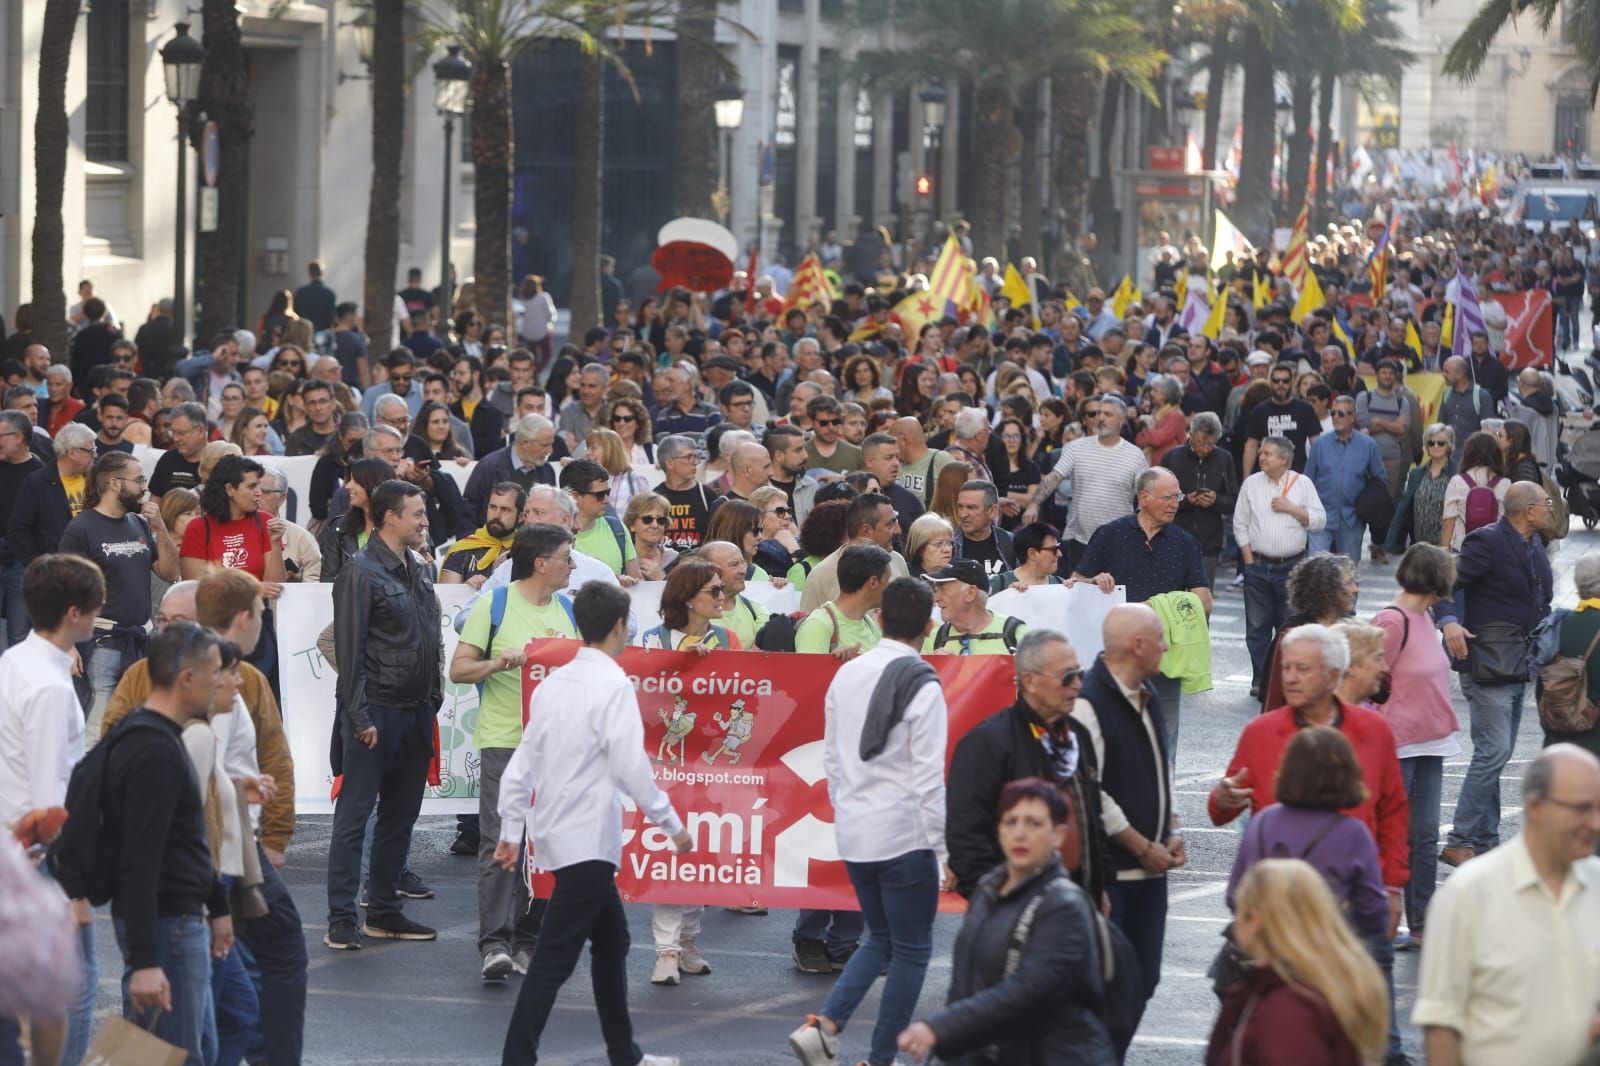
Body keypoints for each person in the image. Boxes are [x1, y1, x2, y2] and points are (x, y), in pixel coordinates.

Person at [494, 582, 687, 1066]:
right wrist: (671, 824)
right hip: (588, 841)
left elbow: (524, 762)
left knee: (612, 941)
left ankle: (626, 1054)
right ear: (620, 626)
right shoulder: (612, 684)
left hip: (560, 833)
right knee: (553, 960)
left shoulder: (555, 682)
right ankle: (518, 1058)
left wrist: (510, 830)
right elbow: (630, 767)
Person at [788, 577, 948, 1066]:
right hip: (905, 835)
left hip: (856, 832)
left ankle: (828, 1025)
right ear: (928, 625)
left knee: (880, 940)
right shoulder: (922, 682)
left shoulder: (848, 674)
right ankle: (881, 1058)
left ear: (878, 618)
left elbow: (832, 757)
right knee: (912, 951)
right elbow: (928, 778)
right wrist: (944, 853)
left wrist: (848, 809)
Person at [897, 779, 1116, 1066]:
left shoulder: (1065, 905)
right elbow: (964, 984)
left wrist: (940, 1028)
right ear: (998, 829)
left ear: (1058, 835)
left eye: (1035, 824)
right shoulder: (989, 887)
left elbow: (1030, 991)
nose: (1020, 833)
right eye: (1010, 821)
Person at [451, 524, 579, 982]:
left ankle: (527, 939)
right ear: (541, 562)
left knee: (547, 846)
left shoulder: (568, 610)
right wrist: (498, 663)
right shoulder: (496, 603)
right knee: (502, 841)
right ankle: (495, 944)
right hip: (506, 740)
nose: (574, 564)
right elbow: (459, 669)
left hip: (558, 746)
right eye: (568, 556)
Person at [1420, 746, 1600, 1066]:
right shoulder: (1469, 895)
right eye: (1582, 809)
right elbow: (1442, 1025)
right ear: (1535, 807)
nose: (1595, 824)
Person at [103, 621, 232, 1066]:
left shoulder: (166, 737)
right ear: (186, 678)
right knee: (171, 1056)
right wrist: (145, 961)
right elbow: (139, 860)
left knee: (197, 1051)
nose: (223, 679)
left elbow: (189, 834)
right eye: (216, 670)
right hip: (168, 927)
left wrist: (217, 906)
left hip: (181, 919)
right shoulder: (154, 749)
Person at [325, 480, 444, 949]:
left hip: (415, 712)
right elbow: (349, 652)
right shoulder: (359, 572)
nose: (424, 521)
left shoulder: (419, 568)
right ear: (390, 517)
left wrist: (432, 700)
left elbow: (431, 643)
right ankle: (340, 918)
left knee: (400, 817)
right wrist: (359, 717)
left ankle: (385, 912)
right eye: (417, 514)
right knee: (354, 817)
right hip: (375, 713)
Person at [0, 554, 104, 1066]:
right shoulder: (48, 686)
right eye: (94, 609)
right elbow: (50, 795)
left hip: (16, 853)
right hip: (40, 861)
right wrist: (70, 886)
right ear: (73, 613)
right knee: (72, 989)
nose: (98, 617)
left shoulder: (15, 662)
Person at [1070, 603, 1182, 1018]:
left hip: (1151, 872)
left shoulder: (1147, 695)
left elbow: (1159, 769)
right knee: (1106, 989)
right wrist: (1140, 846)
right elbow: (1089, 791)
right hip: (1112, 876)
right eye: (1160, 640)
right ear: (1138, 646)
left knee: (1142, 981)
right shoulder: (1088, 703)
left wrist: (1171, 829)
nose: (1166, 647)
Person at [1437, 481, 1554, 866]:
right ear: (1528, 511)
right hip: (1487, 662)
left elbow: (1541, 598)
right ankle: (1461, 838)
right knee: (1495, 750)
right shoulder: (1485, 542)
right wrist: (1449, 621)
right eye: (1546, 503)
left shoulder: (1533, 543)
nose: (1552, 507)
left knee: (1495, 752)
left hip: (1517, 662)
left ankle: (1484, 838)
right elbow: (1443, 583)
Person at [946, 629, 1109, 903]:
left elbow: (1092, 817)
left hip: (1077, 902)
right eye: (1067, 677)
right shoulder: (987, 743)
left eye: (1080, 674)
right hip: (1016, 909)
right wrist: (1002, 902)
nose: (1077, 685)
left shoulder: (1076, 735)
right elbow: (966, 841)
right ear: (1030, 681)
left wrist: (1100, 887)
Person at [1206, 859, 1389, 1066]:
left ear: (1255, 920)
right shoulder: (1319, 984)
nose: (1235, 919)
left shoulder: (1286, 1007)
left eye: (1238, 909)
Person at [1224, 728, 1390, 949]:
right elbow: (1373, 912)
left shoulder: (1263, 822)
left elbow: (1235, 895)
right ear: (1346, 774)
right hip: (1326, 953)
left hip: (1267, 952)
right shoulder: (1352, 834)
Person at [59, 451, 179, 741]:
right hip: (101, 642)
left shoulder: (138, 523)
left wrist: (161, 527)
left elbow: (169, 571)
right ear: (114, 483)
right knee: (98, 729)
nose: (144, 487)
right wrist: (67, 645)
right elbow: (62, 589)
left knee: (139, 727)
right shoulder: (81, 528)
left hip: (140, 640)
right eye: (139, 480)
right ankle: (87, 785)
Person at [1023, 394, 1147, 573]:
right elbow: (1054, 477)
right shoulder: (1076, 447)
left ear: (1122, 419)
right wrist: (1034, 504)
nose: (1101, 418)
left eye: (1108, 414)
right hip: (1080, 540)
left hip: (1121, 541)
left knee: (1115, 596)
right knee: (1080, 594)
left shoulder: (1135, 456)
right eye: (1098, 413)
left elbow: (1145, 495)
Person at [6, 422, 95, 580]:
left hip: (88, 572)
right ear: (73, 453)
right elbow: (18, 530)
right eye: (91, 451)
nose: (95, 456)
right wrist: (41, 567)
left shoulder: (93, 480)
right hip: (53, 578)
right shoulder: (37, 482)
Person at [1303, 394, 1385, 564]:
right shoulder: (1320, 445)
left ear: (1352, 416)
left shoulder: (1368, 445)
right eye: (1333, 413)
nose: (1335, 417)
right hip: (1321, 517)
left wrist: (1365, 507)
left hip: (1352, 519)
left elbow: (1379, 480)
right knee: (1316, 569)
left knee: (1347, 573)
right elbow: (1308, 480)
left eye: (1341, 414)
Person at [799, 492, 908, 612]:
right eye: (890, 524)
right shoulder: (821, 576)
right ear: (866, 531)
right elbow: (808, 625)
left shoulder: (897, 561)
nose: (898, 531)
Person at [1165, 412, 1237, 587]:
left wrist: (1216, 500)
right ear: (1191, 434)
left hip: (1208, 543)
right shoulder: (1172, 457)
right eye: (1200, 443)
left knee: (1202, 600)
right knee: (1172, 596)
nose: (1204, 449)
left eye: (1210, 444)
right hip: (1175, 539)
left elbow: (1233, 500)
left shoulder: (1224, 458)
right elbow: (1161, 497)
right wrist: (1186, 500)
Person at [795, 544, 889, 658]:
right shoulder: (819, 624)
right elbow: (808, 674)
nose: (890, 587)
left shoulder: (869, 623)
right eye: (887, 581)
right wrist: (834, 665)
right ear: (873, 582)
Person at [923, 559, 1028, 655]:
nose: (936, 598)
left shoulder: (1014, 632)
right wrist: (939, 668)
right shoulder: (934, 638)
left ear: (971, 593)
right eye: (937, 590)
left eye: (944, 589)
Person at [0, 409, 43, 647]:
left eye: (1, 435)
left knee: (19, 633)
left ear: (18, 437)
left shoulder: (40, 474)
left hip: (23, 561)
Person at [562, 459, 641, 583]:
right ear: (575, 496)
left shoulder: (617, 529)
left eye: (607, 492)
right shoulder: (552, 537)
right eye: (600, 495)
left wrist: (627, 583)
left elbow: (638, 584)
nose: (606, 500)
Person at [1385, 423, 1456, 555]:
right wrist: (1392, 542)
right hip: (1419, 548)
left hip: (1448, 550)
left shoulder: (1456, 474)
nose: (1435, 446)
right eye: (1431, 442)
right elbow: (1403, 509)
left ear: (1449, 446)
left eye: (1441, 443)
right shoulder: (1416, 474)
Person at [1242, 362, 1322, 474]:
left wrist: (1316, 473)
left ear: (1292, 382)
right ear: (1270, 382)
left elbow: (1316, 443)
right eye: (1276, 381)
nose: (1280, 384)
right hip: (1267, 474)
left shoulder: (1305, 409)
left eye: (1285, 381)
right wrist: (1247, 478)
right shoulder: (1259, 410)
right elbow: (1251, 446)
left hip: (1297, 474)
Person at [653, 434, 725, 552]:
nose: (696, 462)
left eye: (696, 457)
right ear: (670, 463)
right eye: (689, 457)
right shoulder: (654, 498)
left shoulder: (708, 496)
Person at [952, 480, 1016, 580]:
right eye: (960, 507)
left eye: (971, 508)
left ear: (992, 511)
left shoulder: (1010, 542)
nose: (963, 514)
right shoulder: (949, 546)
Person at [989, 521, 1065, 593]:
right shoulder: (999, 584)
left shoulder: (1061, 585)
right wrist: (1007, 596)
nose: (1059, 554)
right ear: (1032, 553)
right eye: (1054, 549)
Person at [624, 490, 677, 581]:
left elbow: (682, 594)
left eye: (661, 520)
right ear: (632, 525)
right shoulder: (620, 561)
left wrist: (662, 578)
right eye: (647, 519)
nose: (655, 525)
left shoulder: (677, 561)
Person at [904, 512, 955, 579]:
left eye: (949, 543)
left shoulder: (957, 575)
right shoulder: (905, 575)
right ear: (920, 548)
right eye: (939, 544)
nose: (947, 550)